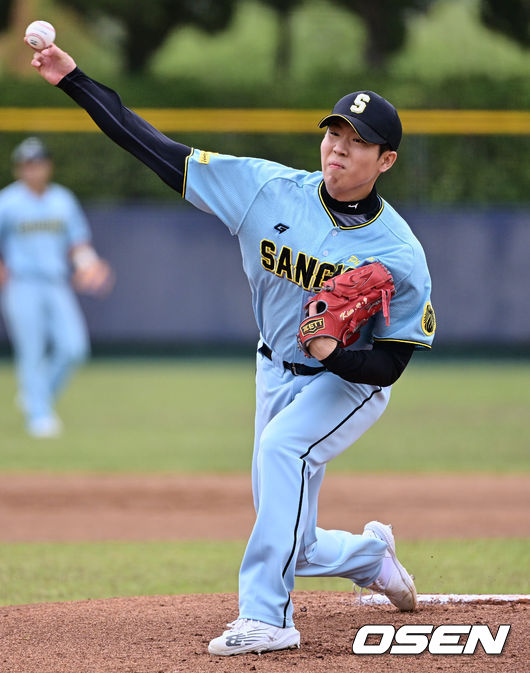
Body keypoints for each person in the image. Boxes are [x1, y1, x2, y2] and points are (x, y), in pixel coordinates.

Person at [27, 42, 436, 654]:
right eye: (333, 133)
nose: (338, 148)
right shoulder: (265, 189)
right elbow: (156, 150)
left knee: (282, 449)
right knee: (291, 535)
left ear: (387, 160)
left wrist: (332, 355)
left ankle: (267, 618)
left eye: (357, 141)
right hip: (273, 369)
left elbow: (393, 361)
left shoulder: (400, 254)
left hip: (350, 382)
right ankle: (370, 555)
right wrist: (74, 80)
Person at [0, 136, 113, 437]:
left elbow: (77, 243)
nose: (33, 170)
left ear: (47, 166)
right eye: (27, 165)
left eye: (38, 164)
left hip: (56, 282)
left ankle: (36, 396)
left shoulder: (62, 200)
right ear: (19, 169)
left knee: (74, 347)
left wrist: (89, 266)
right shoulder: (7, 201)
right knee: (31, 351)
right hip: (22, 284)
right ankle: (38, 416)